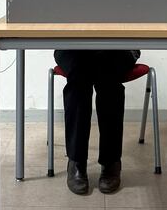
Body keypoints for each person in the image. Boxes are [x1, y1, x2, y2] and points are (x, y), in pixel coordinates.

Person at [54, 49, 140, 194]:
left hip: (120, 48)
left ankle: (111, 162)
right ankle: (76, 162)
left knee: (108, 74)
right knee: (79, 74)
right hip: (71, 47)